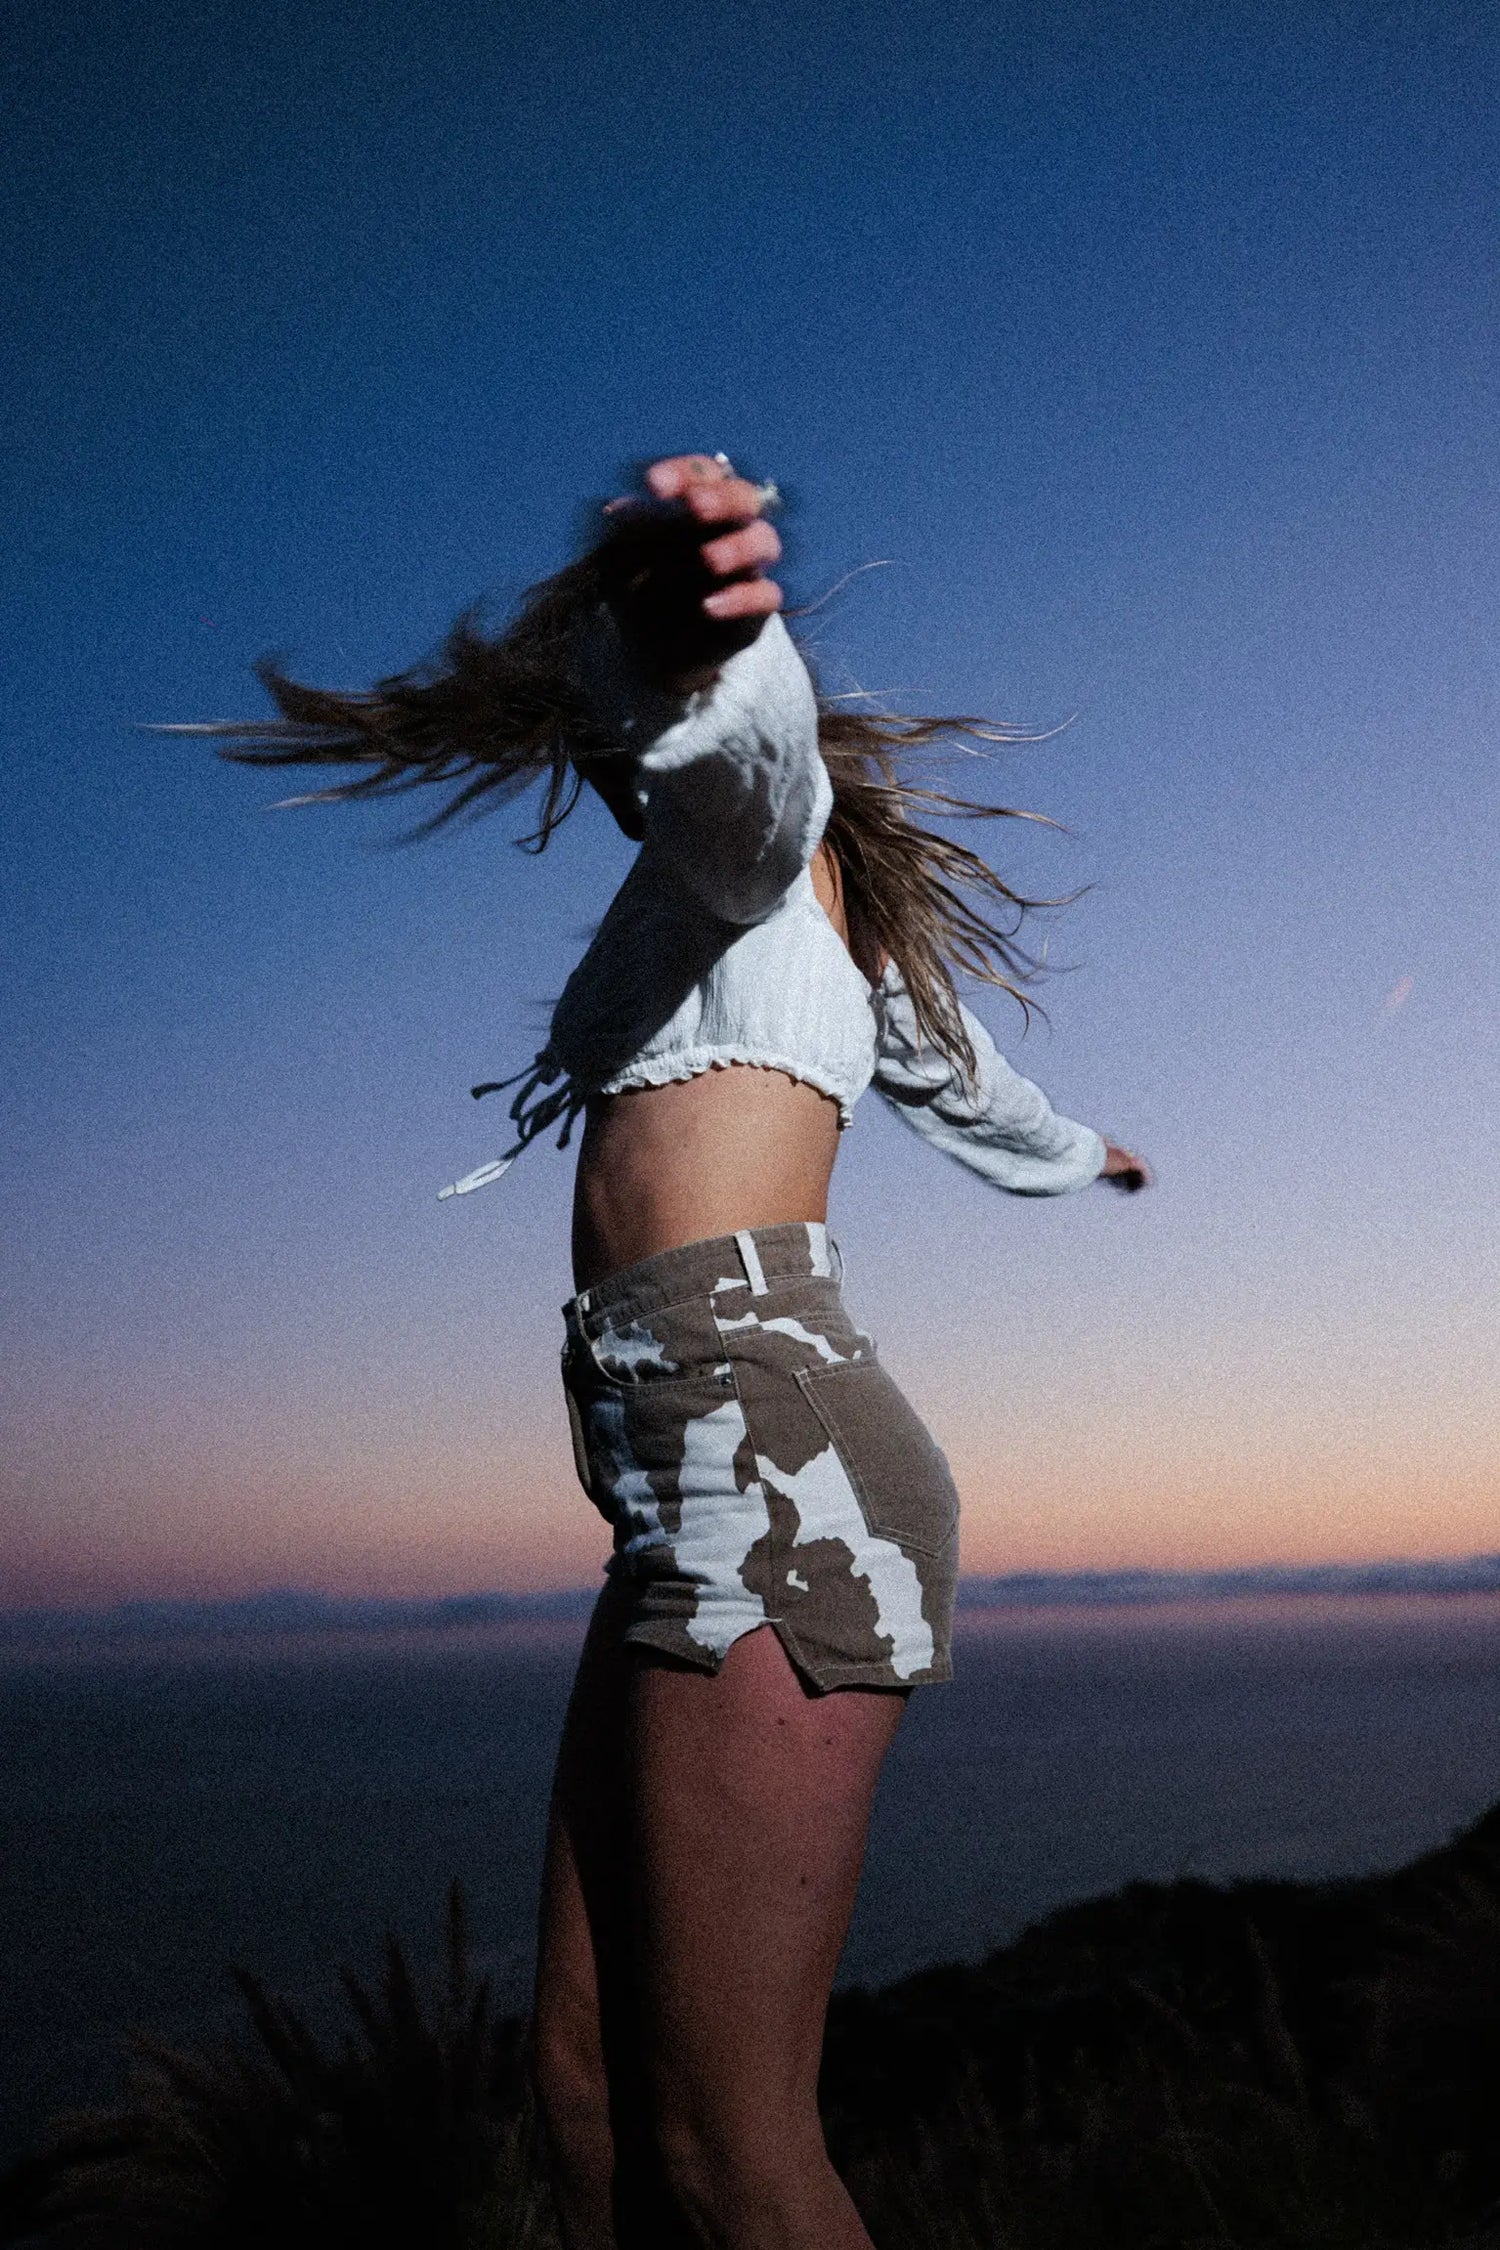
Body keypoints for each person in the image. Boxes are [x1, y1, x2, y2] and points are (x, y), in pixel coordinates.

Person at [195, 451, 1149, 2248]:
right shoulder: (813, 946)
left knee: (733, 2155)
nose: (596, 762)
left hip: (772, 1458)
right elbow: (978, 1093)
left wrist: (700, 650)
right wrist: (1086, 1154)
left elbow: (743, 768)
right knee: (579, 2092)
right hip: (678, 1479)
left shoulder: (752, 859)